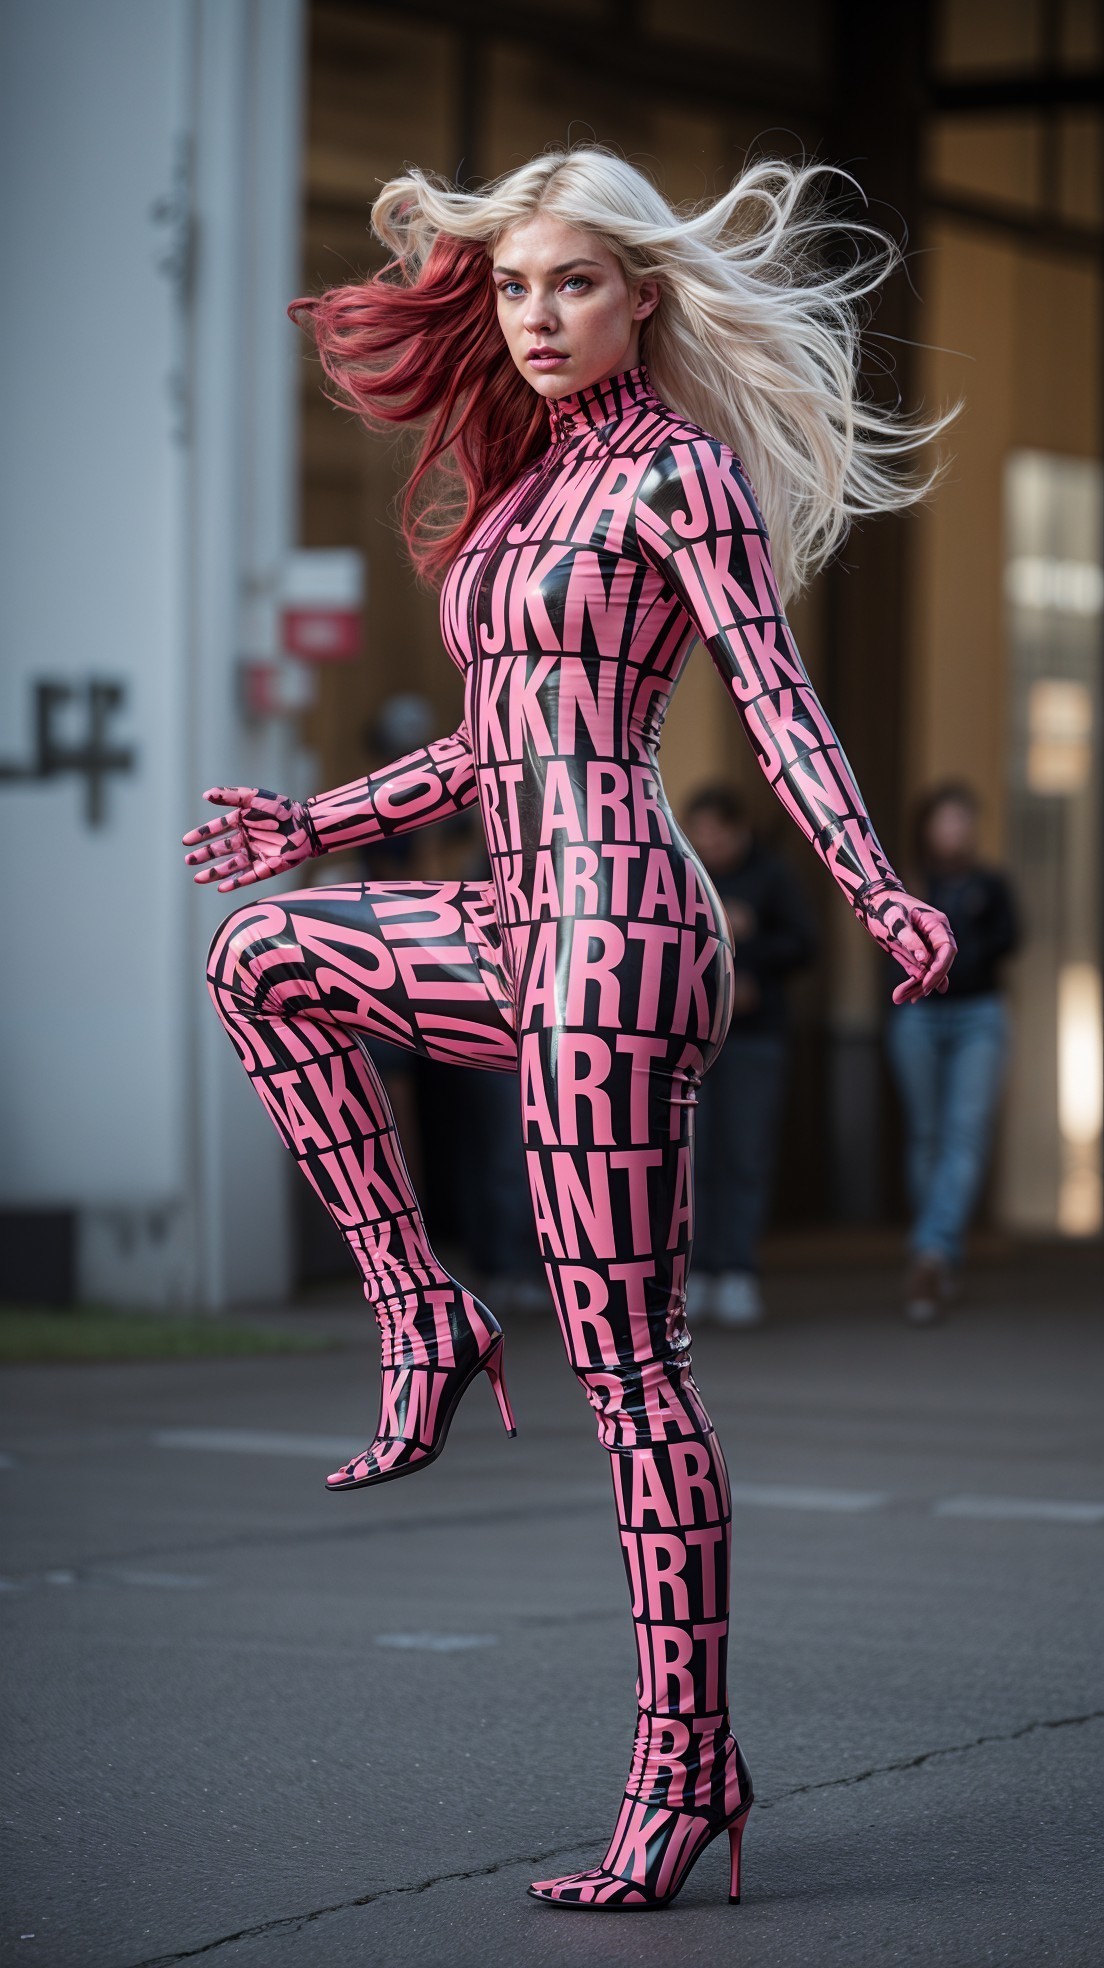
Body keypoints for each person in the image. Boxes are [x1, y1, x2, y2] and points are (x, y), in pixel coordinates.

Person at [182, 149, 955, 1911]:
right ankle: (427, 1305)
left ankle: (686, 1765)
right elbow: (489, 746)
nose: (533, 317)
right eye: (514, 286)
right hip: (507, 910)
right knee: (260, 953)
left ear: (642, 298)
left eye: (572, 285)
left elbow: (773, 702)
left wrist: (875, 886)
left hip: (615, 927)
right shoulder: (531, 479)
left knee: (626, 1377)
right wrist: (306, 826)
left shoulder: (680, 473)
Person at [682, 786, 816, 1327]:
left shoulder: (773, 875)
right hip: (689, 1036)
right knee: (688, 1159)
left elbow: (805, 943)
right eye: (700, 830)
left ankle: (736, 1269)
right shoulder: (679, 869)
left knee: (742, 1155)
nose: (707, 842)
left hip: (755, 1037)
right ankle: (692, 1272)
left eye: (717, 831)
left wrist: (752, 955)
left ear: (740, 831)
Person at [887, 783, 1018, 1325]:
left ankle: (933, 1252)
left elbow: (1011, 939)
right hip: (918, 1016)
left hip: (978, 1017)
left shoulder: (992, 884)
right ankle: (940, 1251)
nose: (954, 831)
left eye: (963, 821)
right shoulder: (906, 887)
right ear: (926, 829)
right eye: (945, 821)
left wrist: (955, 958)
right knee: (927, 1137)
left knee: (964, 1132)